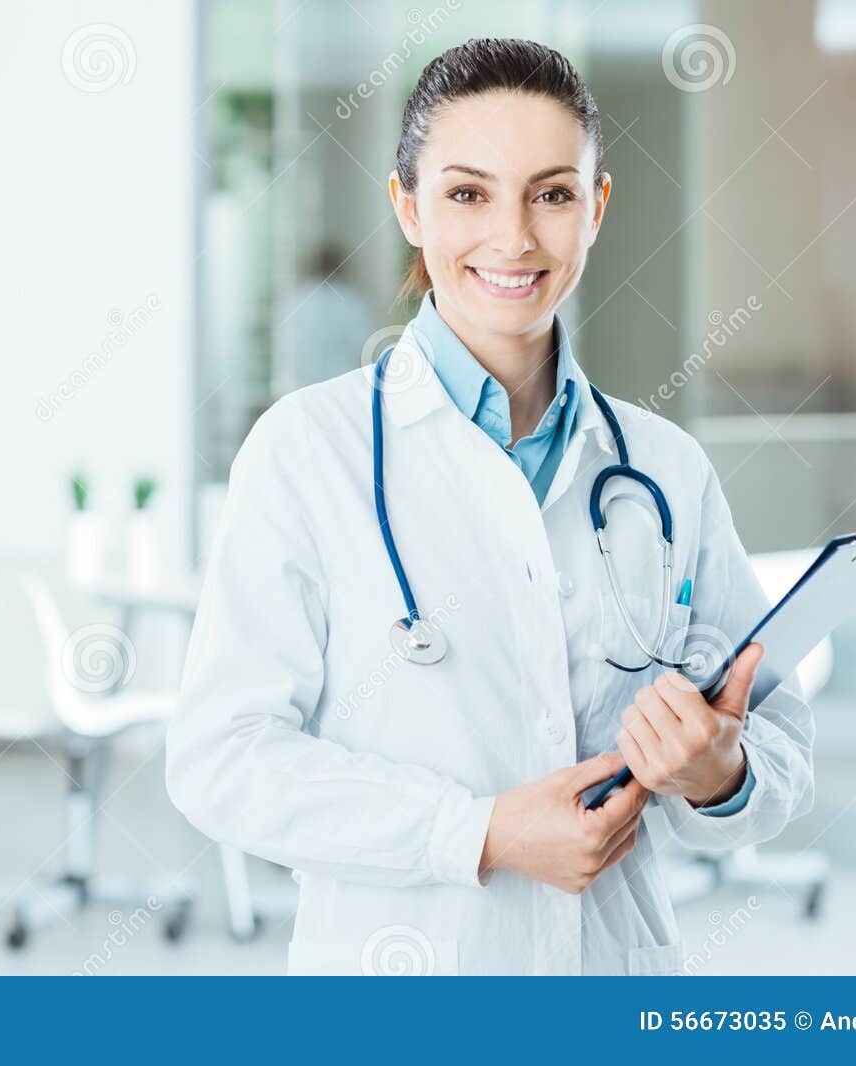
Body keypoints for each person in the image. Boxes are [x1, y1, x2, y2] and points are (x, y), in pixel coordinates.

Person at [166, 38, 813, 976]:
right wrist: (478, 834)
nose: (513, 238)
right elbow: (222, 760)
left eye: (551, 194)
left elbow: (777, 732)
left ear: (595, 209)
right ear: (408, 206)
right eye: (468, 193)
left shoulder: (663, 469)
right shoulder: (307, 452)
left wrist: (722, 776)